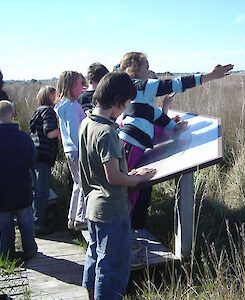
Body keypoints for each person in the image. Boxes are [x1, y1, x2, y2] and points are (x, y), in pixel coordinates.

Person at [117, 52, 234, 229]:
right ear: (134, 69)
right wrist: (210, 76)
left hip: (133, 145)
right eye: (146, 68)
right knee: (131, 190)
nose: (149, 72)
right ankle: (126, 234)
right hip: (131, 146)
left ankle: (130, 231)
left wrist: (174, 127)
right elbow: (176, 84)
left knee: (135, 189)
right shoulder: (140, 87)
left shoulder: (138, 93)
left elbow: (154, 115)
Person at [79, 72, 156, 300]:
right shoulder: (108, 132)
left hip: (93, 206)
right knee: (112, 267)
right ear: (117, 100)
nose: (125, 110)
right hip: (112, 210)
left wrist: (127, 174)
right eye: (125, 104)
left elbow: (103, 170)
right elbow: (113, 177)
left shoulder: (87, 123)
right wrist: (138, 179)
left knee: (95, 257)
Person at [0, 100, 37, 260]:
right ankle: (29, 250)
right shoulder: (23, 137)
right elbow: (33, 159)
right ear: (13, 115)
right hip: (22, 187)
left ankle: (7, 254)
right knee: (26, 222)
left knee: (5, 225)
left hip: (2, 192)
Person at [54, 71, 87, 231]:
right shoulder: (73, 106)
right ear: (73, 85)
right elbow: (75, 132)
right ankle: (81, 218)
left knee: (77, 183)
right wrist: (85, 150)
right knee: (84, 183)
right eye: (81, 84)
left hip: (68, 150)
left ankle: (72, 216)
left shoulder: (62, 105)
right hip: (77, 149)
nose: (83, 87)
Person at [29, 86, 60, 235]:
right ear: (50, 97)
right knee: (42, 190)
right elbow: (50, 133)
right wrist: (61, 131)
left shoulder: (37, 112)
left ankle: (34, 220)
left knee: (37, 190)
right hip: (44, 156)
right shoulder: (48, 112)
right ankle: (38, 223)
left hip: (34, 155)